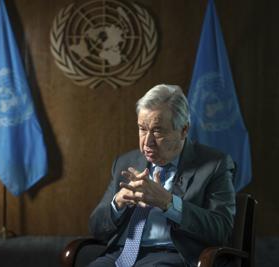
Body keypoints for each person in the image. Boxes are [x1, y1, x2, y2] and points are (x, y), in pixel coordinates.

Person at [88, 84, 236, 267]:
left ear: (184, 130)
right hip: (119, 256)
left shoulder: (214, 165)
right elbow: (96, 228)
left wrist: (168, 203)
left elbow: (220, 231)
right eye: (142, 128)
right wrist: (117, 204)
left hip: (172, 256)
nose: (147, 141)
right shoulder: (126, 163)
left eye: (157, 130)